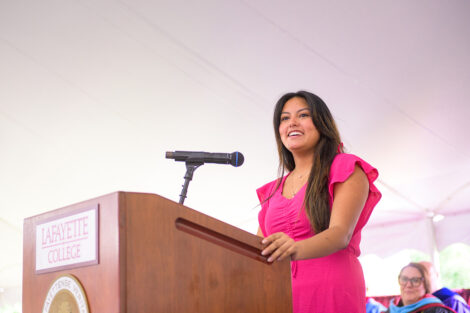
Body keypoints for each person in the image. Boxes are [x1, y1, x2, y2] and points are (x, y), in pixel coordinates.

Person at [256, 91, 382, 313]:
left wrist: (294, 248)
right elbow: (258, 248)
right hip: (279, 295)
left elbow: (340, 234)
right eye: (284, 118)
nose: (292, 122)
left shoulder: (345, 167)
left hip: (332, 291)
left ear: (322, 124)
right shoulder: (272, 190)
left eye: (303, 115)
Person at [385, 262, 456, 313]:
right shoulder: (391, 310)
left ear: (426, 285)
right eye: (404, 279)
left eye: (415, 280)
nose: (408, 285)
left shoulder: (437, 310)